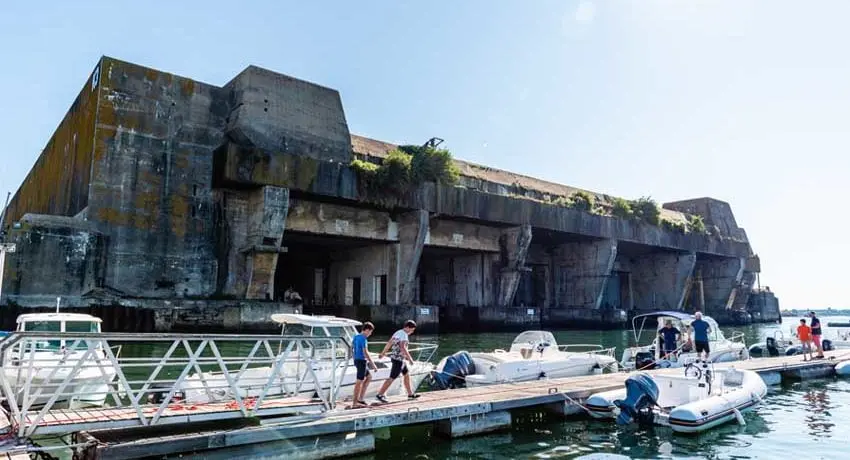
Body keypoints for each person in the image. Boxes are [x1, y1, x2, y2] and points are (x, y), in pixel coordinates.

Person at [375, 320, 420, 402]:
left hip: (397, 359)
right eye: (411, 330)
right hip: (398, 360)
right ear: (407, 327)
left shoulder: (397, 332)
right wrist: (410, 358)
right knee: (392, 377)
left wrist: (383, 353)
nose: (412, 332)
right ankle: (380, 394)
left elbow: (389, 343)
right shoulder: (404, 335)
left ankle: (410, 394)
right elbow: (403, 347)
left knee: (406, 375)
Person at [351, 322, 377, 408]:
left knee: (369, 377)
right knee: (359, 382)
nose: (370, 334)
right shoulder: (363, 339)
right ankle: (354, 404)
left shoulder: (356, 336)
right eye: (370, 332)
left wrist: (354, 358)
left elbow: (351, 348)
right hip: (361, 361)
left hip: (357, 360)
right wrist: (373, 364)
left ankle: (360, 399)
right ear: (366, 330)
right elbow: (365, 352)